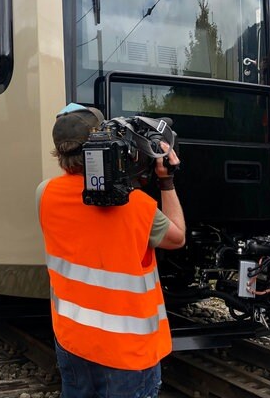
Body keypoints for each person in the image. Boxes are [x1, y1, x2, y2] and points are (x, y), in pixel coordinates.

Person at [36, 103, 186, 397]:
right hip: (127, 353)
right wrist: (166, 181)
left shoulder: (45, 194)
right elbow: (177, 237)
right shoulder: (137, 207)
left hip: (72, 338)